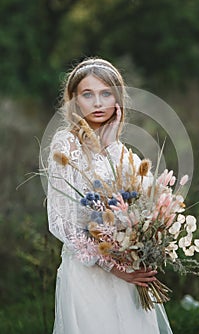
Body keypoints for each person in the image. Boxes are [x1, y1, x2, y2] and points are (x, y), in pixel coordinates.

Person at [46, 57, 173, 333]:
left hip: (129, 271)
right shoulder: (66, 144)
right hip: (89, 274)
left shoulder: (120, 150)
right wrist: (113, 267)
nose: (98, 103)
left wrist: (111, 142)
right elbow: (61, 223)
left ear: (117, 97)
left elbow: (141, 201)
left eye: (106, 93)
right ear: (74, 100)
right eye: (87, 94)